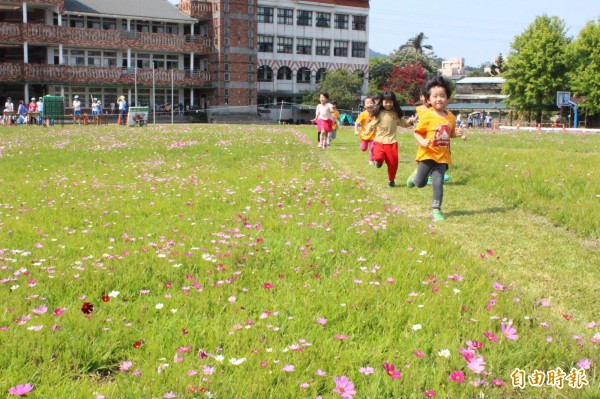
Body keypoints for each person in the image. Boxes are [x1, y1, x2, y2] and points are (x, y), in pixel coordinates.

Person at [406, 76, 466, 221]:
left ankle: (436, 210)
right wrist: (422, 141)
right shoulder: (426, 116)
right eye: (435, 96)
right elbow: (417, 132)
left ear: (447, 99)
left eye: (442, 96)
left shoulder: (450, 117)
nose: (439, 99)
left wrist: (455, 134)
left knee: (438, 182)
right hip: (427, 155)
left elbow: (448, 133)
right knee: (420, 183)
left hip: (442, 156)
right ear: (428, 100)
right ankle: (414, 178)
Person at [366, 91, 415, 188]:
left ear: (394, 102)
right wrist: (367, 130)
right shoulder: (379, 113)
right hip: (379, 141)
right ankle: (379, 162)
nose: (388, 104)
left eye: (390, 102)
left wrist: (411, 121)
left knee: (393, 164)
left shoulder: (396, 114)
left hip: (392, 143)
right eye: (386, 102)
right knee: (379, 157)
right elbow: (372, 124)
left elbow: (404, 123)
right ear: (382, 102)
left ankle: (391, 181)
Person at [354, 95, 377, 165]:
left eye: (371, 103)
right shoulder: (362, 114)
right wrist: (356, 130)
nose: (369, 104)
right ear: (364, 106)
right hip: (365, 135)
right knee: (363, 149)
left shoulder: (376, 114)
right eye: (367, 103)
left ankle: (371, 160)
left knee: (373, 148)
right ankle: (364, 146)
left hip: (374, 134)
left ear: (374, 105)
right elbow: (357, 123)